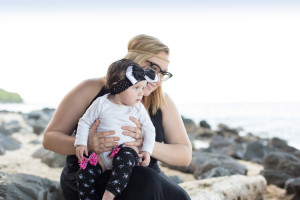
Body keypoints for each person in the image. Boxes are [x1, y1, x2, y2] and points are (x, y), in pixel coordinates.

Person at [43, 34, 192, 200]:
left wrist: (143, 143)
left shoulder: (162, 101)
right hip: (93, 175)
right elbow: (49, 138)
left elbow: (184, 155)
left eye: (163, 74)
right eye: (153, 69)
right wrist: (88, 143)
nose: (157, 80)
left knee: (180, 196)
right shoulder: (93, 89)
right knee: (147, 182)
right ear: (134, 62)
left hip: (142, 173)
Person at [75, 59, 157, 200]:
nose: (141, 93)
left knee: (126, 158)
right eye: (136, 88)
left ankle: (109, 194)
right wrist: (81, 143)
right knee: (83, 174)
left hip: (124, 152)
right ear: (118, 87)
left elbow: (149, 129)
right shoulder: (101, 103)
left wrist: (146, 151)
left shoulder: (137, 108)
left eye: (142, 88)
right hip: (101, 156)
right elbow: (84, 122)